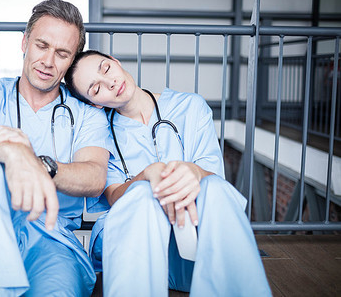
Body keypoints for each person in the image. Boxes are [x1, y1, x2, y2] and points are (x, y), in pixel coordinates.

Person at [0, 1, 113, 297]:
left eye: (62, 53)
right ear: (25, 42)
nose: (48, 61)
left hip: (51, 237)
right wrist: (9, 152)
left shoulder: (86, 113)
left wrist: (34, 163)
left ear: (71, 61)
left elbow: (95, 178)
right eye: (42, 45)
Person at [64, 50, 272, 296]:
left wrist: (192, 171)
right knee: (141, 193)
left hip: (193, 246)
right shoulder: (101, 134)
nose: (109, 83)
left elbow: (213, 178)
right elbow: (113, 196)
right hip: (137, 246)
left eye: (106, 68)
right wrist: (147, 175)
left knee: (213, 187)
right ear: (95, 103)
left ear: (116, 62)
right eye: (96, 89)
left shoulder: (190, 107)